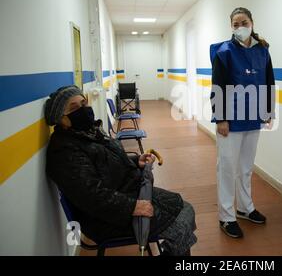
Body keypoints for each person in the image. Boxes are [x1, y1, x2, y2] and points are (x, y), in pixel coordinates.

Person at [44, 86, 197, 256]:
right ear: (61, 119)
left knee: (186, 208)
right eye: (74, 108)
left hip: (126, 193)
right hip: (107, 217)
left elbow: (105, 161)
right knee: (181, 224)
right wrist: (132, 206)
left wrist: (134, 161)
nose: (83, 109)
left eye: (84, 103)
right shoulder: (65, 152)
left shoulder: (87, 133)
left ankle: (172, 251)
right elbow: (91, 196)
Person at [210, 7, 276, 238]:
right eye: (235, 24)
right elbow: (217, 85)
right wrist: (220, 118)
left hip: (253, 118)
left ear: (252, 22)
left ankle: (245, 208)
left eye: (243, 22)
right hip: (230, 119)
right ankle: (226, 217)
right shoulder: (224, 51)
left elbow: (269, 81)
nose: (240, 27)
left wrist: (268, 110)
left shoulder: (263, 51)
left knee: (246, 168)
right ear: (231, 27)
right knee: (227, 168)